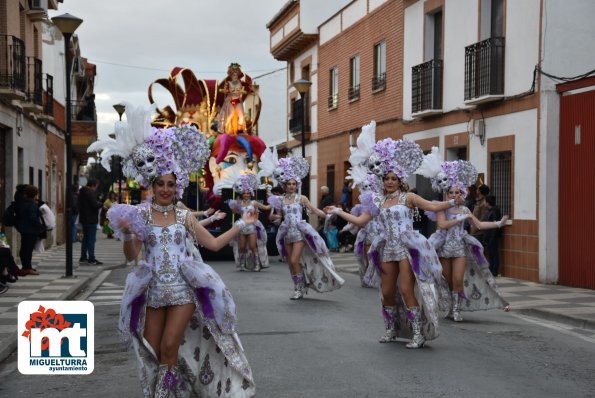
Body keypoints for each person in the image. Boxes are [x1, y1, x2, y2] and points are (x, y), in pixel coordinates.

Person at [89, 103, 256, 397]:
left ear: (176, 186)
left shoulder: (184, 216)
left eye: (170, 184)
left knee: (169, 346)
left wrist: (241, 225)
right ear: (151, 185)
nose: (165, 189)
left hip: (182, 290)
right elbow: (131, 257)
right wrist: (128, 233)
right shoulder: (139, 215)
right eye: (160, 184)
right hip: (153, 291)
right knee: (153, 350)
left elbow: (214, 244)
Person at [326, 131, 456, 349]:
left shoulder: (409, 198)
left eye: (393, 178)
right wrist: (338, 212)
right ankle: (391, 329)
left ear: (400, 180)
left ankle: (417, 334)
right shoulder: (378, 201)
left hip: (407, 248)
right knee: (386, 292)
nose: (389, 182)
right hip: (387, 248)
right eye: (386, 178)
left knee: (406, 289)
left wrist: (452, 202)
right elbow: (360, 220)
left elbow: (433, 207)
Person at [416, 150, 510, 323]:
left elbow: (480, 225)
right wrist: (459, 219)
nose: (454, 195)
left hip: (459, 248)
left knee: (458, 279)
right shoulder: (442, 208)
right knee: (448, 280)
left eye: (457, 192)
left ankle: (457, 309)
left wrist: (499, 223)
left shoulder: (466, 210)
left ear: (462, 194)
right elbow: (442, 225)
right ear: (447, 194)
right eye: (451, 192)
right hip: (444, 248)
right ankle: (450, 306)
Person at [259, 151, 345, 300]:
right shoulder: (280, 200)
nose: (292, 186)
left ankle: (300, 288)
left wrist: (329, 213)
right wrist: (274, 217)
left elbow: (314, 210)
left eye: (294, 184)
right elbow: (276, 216)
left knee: (294, 260)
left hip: (299, 232)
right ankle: (298, 286)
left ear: (297, 184)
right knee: (291, 263)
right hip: (287, 233)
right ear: (284, 185)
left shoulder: (302, 198)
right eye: (289, 184)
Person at [228, 173, 271, 271]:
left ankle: (257, 265)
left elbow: (266, 207)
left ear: (250, 193)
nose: (246, 195)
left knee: (252, 246)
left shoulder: (254, 203)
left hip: (252, 227)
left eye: (247, 193)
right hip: (242, 227)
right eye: (244, 193)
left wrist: (274, 202)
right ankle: (242, 265)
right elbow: (234, 212)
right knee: (242, 247)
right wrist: (234, 205)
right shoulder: (240, 203)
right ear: (242, 194)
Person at [15, 185, 42, 276]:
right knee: (27, 249)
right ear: (35, 194)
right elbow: (32, 218)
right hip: (30, 230)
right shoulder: (31, 205)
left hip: (24, 229)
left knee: (25, 249)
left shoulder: (23, 203)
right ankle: (27, 268)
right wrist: (40, 226)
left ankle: (27, 267)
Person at [218, 63, 250, 135]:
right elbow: (224, 90)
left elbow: (247, 88)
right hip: (231, 100)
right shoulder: (228, 83)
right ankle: (226, 129)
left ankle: (240, 130)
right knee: (230, 114)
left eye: (236, 75)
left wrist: (244, 91)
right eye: (233, 75)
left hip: (238, 100)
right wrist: (226, 91)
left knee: (241, 116)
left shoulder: (240, 83)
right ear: (231, 76)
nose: (235, 76)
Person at [77, 179, 103, 265]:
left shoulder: (82, 192)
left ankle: (83, 257)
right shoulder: (90, 193)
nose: (96, 189)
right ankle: (91, 258)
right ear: (93, 185)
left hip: (84, 218)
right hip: (91, 219)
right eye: (96, 186)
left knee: (85, 239)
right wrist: (100, 204)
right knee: (91, 240)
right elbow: (94, 205)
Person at [484, 195, 504, 276]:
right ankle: (491, 269)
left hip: (493, 236)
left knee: (494, 253)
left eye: (485, 201)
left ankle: (494, 270)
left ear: (488, 202)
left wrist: (492, 237)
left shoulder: (495, 211)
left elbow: (495, 225)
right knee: (491, 253)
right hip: (490, 236)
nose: (484, 203)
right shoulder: (490, 210)